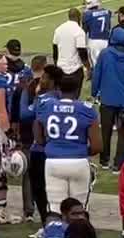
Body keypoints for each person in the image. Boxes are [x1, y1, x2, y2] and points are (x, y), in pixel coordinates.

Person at [36, 73, 101, 213]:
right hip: (78, 162)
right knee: (78, 208)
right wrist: (80, 150)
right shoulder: (86, 109)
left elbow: (39, 138)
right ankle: (77, 234)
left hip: (53, 162)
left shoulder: (46, 106)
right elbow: (97, 146)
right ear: (77, 90)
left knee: (55, 208)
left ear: (58, 89)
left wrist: (53, 146)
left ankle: (56, 234)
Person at [91, 27, 124, 170]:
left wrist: (94, 92)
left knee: (105, 131)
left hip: (107, 99)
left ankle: (104, 160)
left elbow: (97, 74)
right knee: (123, 132)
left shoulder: (105, 54)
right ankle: (119, 163)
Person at [52, 8, 89, 83]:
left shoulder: (58, 29)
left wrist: (56, 65)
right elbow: (82, 51)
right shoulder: (79, 31)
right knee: (74, 92)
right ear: (79, 17)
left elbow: (55, 50)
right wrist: (88, 67)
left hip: (61, 68)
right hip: (74, 69)